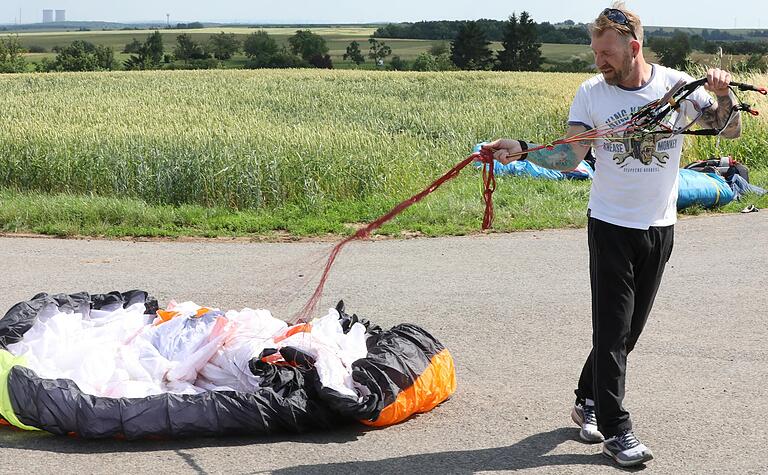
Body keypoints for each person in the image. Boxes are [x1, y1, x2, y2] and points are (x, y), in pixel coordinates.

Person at [484, 2, 741, 468]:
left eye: (606, 53)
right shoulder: (591, 94)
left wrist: (723, 94)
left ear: (634, 47)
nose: (598, 61)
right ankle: (615, 429)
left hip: (660, 227)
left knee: (627, 334)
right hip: (610, 227)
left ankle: (586, 398)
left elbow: (730, 130)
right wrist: (521, 149)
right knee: (611, 331)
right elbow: (570, 156)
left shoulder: (676, 88)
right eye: (595, 52)